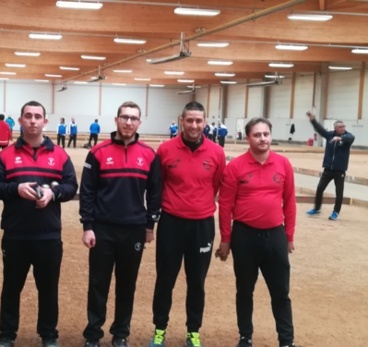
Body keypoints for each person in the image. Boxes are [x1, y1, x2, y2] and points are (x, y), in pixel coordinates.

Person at [0, 101, 78, 347]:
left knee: (48, 289)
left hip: (48, 235)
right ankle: (6, 335)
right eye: (28, 116)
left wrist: (53, 194)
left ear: (45, 122)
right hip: (16, 234)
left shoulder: (59, 154)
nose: (33, 121)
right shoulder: (5, 154)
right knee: (11, 288)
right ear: (20, 120)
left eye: (38, 116)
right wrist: (15, 189)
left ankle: (49, 335)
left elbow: (71, 186)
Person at [80, 101, 162, 347]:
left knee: (127, 284)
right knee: (98, 284)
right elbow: (87, 192)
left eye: (133, 118)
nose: (128, 122)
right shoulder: (97, 152)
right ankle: (93, 334)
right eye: (124, 117)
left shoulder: (149, 154)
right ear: (116, 120)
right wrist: (88, 226)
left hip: (134, 230)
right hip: (103, 230)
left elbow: (156, 193)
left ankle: (121, 333)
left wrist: (150, 225)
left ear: (139, 123)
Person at [149, 101, 226, 347]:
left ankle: (193, 331)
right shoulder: (165, 150)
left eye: (199, 121)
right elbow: (157, 186)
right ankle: (159, 328)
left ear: (205, 123)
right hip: (171, 224)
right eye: (189, 120)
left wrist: (198, 205)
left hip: (202, 225)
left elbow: (215, 185)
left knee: (197, 282)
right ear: (182, 121)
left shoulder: (216, 153)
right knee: (165, 280)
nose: (194, 125)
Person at [216, 117, 297, 347]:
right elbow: (226, 205)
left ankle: (287, 340)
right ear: (247, 138)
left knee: (281, 291)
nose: (262, 138)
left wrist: (289, 236)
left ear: (271, 136)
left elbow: (289, 202)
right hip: (245, 237)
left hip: (275, 237)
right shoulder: (235, 167)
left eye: (266, 134)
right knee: (244, 290)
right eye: (257, 134)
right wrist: (226, 239)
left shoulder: (283, 164)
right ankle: (245, 336)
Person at [305, 112, 355, 221]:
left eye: (343, 126)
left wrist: (340, 139)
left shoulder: (347, 137)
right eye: (340, 127)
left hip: (340, 171)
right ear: (335, 128)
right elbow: (320, 130)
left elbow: (351, 137)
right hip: (328, 169)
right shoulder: (330, 135)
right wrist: (313, 120)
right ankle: (317, 208)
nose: (342, 128)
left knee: (339, 192)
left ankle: (336, 212)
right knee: (320, 188)